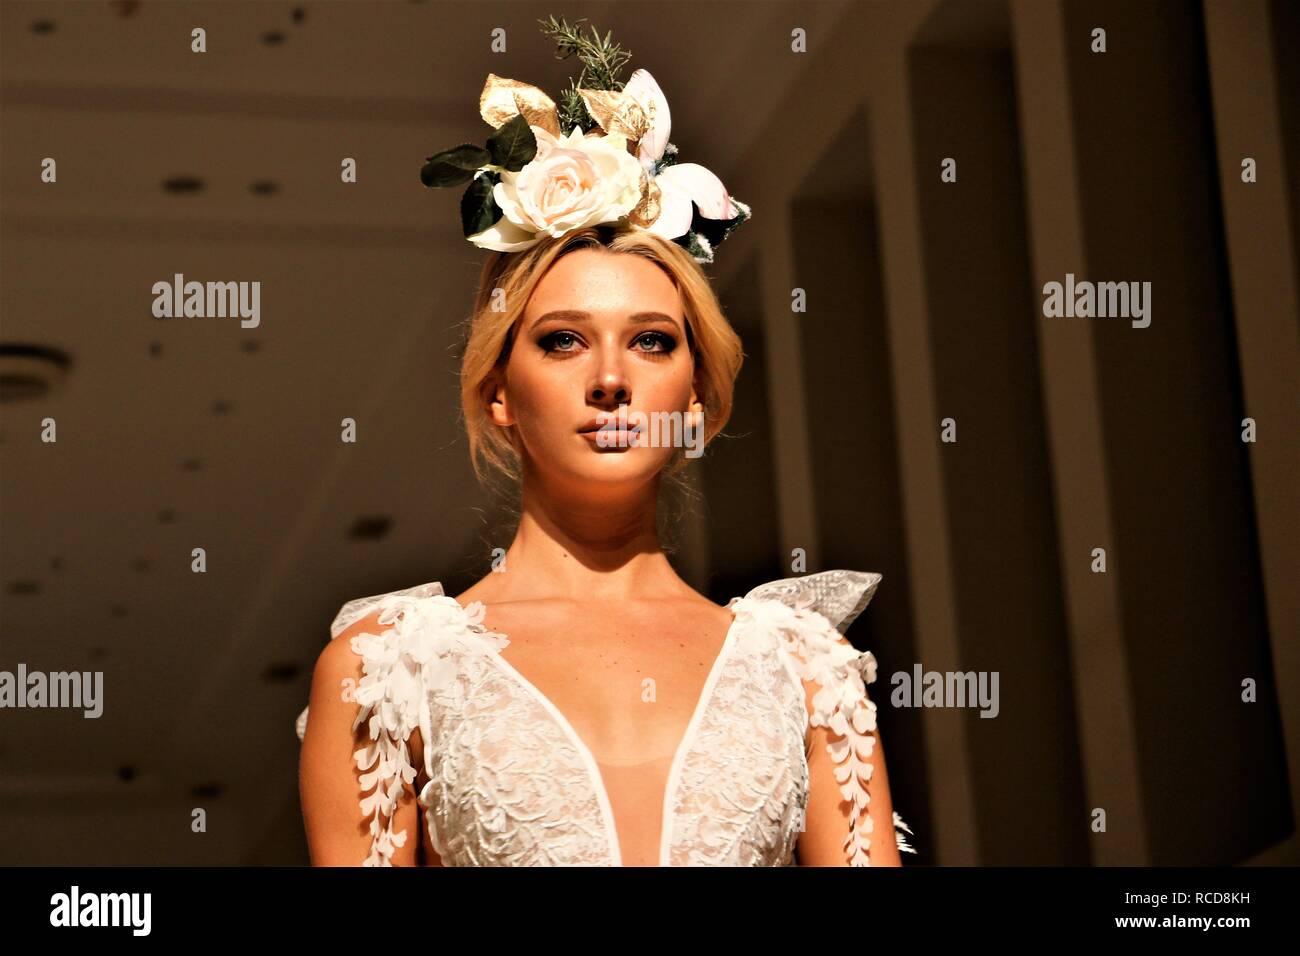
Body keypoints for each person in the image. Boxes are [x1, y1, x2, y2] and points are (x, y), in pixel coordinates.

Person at [295, 16, 915, 867]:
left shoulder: (807, 670)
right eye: (562, 340)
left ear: (696, 398)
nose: (612, 378)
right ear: (499, 392)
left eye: (654, 340)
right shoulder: (388, 670)